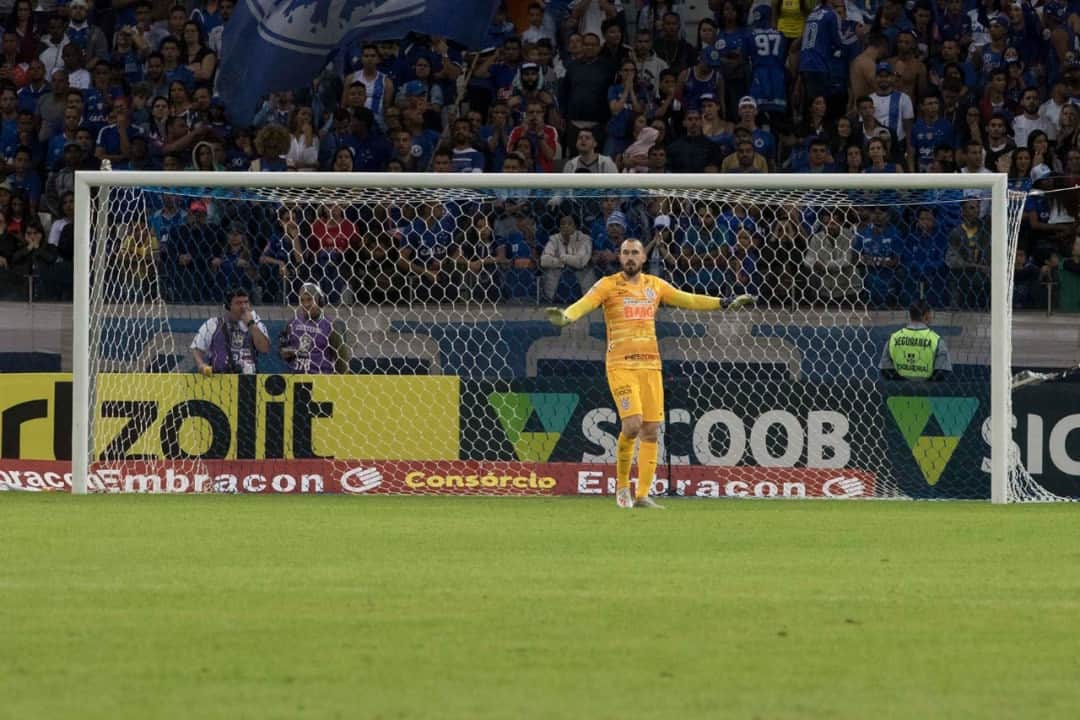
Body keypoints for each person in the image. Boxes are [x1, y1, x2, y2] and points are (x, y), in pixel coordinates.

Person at [545, 238, 754, 509]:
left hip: (650, 366)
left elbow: (688, 299)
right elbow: (585, 303)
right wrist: (567, 317)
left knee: (651, 431)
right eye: (625, 253)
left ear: (643, 258)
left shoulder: (655, 286)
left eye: (634, 253)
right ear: (620, 258)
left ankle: (642, 495)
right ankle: (622, 488)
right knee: (632, 425)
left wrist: (724, 303)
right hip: (621, 365)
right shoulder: (608, 285)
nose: (630, 257)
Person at [191, 287, 270, 376]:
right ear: (228, 306)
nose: (244, 307)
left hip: (248, 378)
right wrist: (201, 364)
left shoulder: (257, 324)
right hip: (219, 378)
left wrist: (251, 324)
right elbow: (196, 348)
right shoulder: (213, 324)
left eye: (246, 302)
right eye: (238, 303)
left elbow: (264, 349)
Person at [279, 282, 350, 374]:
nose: (306, 304)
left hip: (320, 381)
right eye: (302, 300)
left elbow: (342, 362)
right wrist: (287, 352)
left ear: (320, 301)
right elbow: (281, 351)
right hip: (294, 378)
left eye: (309, 299)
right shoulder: (291, 323)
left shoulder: (330, 326)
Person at [879, 299, 952, 381]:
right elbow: (942, 372)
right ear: (927, 316)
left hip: (900, 391)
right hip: (928, 391)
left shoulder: (893, 338)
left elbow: (885, 370)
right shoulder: (937, 340)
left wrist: (904, 383)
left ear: (910, 315)